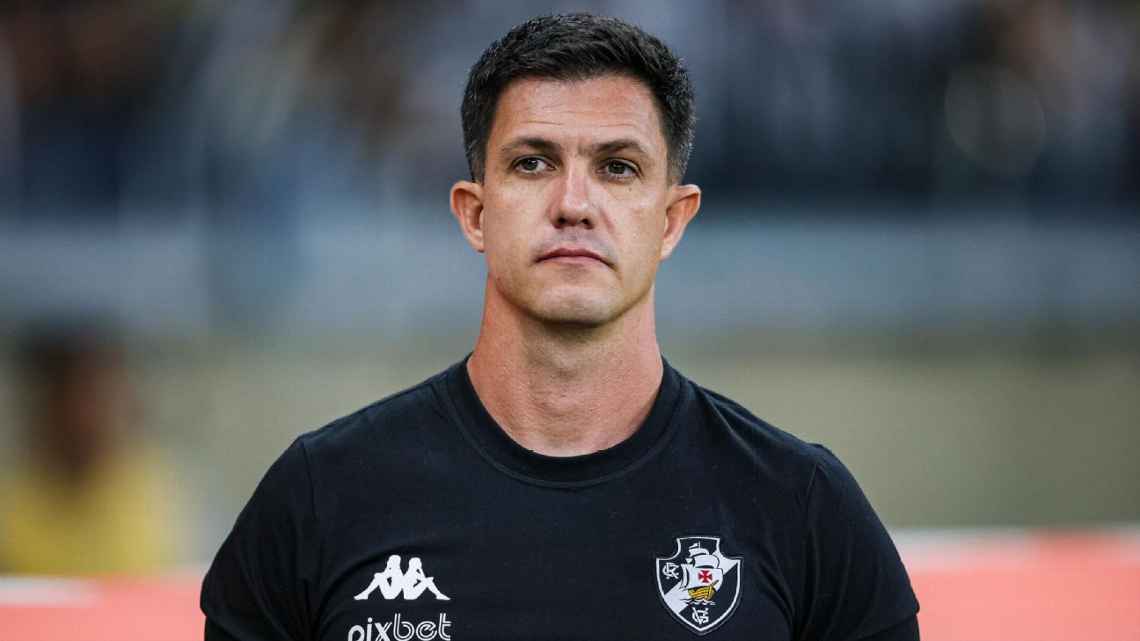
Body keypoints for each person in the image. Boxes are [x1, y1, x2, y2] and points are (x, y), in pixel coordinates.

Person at [201, 13, 919, 640]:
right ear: (475, 213)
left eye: (618, 167)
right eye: (533, 162)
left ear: (672, 221)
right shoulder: (321, 499)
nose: (574, 204)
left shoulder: (802, 509)